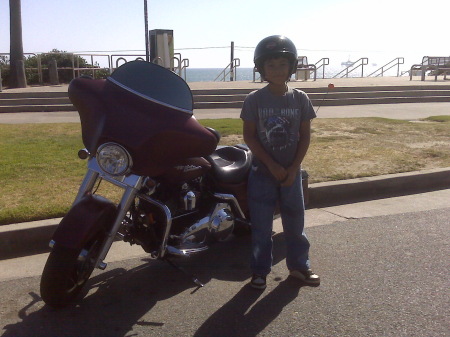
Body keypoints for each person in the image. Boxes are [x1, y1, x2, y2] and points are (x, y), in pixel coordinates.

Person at [240, 35, 320, 290]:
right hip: (262, 173)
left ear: (292, 67)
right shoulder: (254, 99)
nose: (277, 70)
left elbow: (305, 135)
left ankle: (299, 267)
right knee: (262, 227)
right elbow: (249, 136)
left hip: (291, 174)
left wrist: (294, 167)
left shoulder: (300, 99)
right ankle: (260, 271)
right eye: (271, 65)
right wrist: (272, 165)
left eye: (282, 64)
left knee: (295, 224)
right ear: (261, 68)